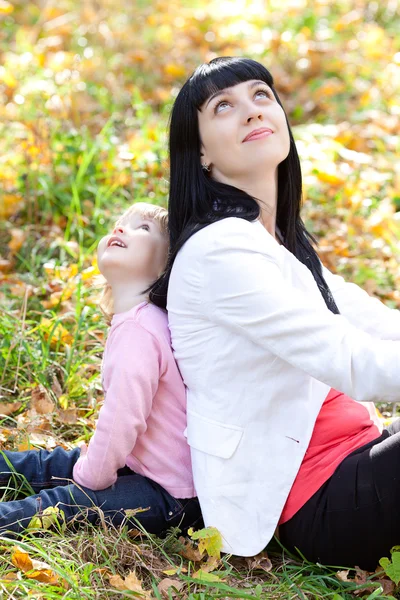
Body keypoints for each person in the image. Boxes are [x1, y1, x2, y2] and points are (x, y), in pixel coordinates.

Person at [149, 57, 400, 570]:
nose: (250, 111)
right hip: (316, 496)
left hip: (359, 451)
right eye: (224, 106)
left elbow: (366, 320)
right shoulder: (220, 251)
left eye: (260, 95)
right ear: (198, 151)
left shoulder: (274, 238)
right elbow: (348, 360)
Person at [0, 202, 201, 537]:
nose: (121, 229)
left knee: (65, 503)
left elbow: (123, 417)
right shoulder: (139, 321)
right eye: (120, 224)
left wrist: (94, 475)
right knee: (46, 464)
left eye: (143, 228)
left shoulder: (140, 331)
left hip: (171, 495)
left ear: (165, 265)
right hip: (140, 467)